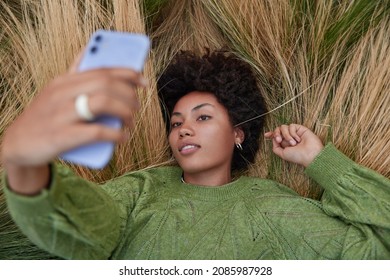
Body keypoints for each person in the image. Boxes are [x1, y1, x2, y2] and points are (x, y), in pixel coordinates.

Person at [1, 49, 389, 259]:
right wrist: (26, 163)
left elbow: (375, 252)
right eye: (176, 122)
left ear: (238, 132)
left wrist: (320, 162)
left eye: (203, 117)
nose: (183, 128)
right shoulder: (142, 189)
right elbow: (82, 228)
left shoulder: (271, 205)